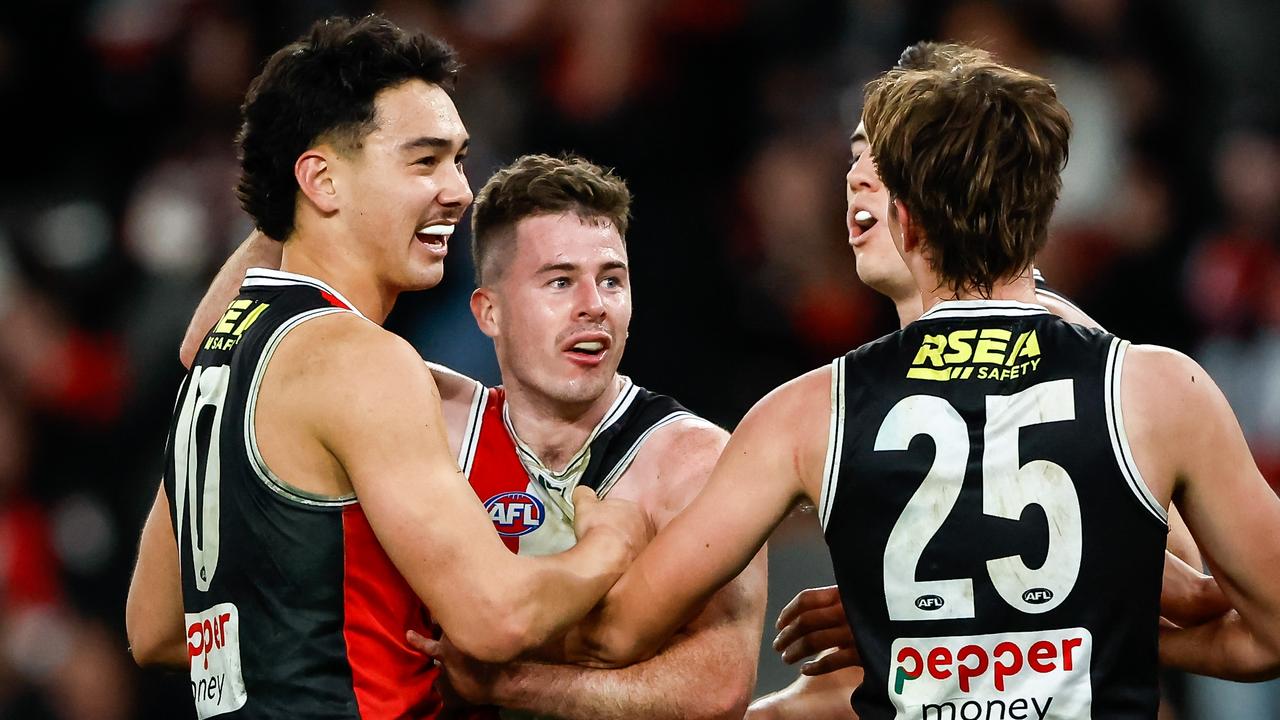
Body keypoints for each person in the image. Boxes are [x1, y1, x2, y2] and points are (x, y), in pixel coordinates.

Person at [564, 56, 1280, 719]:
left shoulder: (807, 412)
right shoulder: (1156, 387)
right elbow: (1265, 635)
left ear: (903, 217)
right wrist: (1074, 622)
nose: (853, 184)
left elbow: (618, 631)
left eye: (871, 168)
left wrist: (604, 534)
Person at [125, 17, 649, 719]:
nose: (461, 192)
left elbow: (157, 626)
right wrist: (609, 544)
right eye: (425, 161)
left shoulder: (220, 361)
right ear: (321, 181)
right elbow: (498, 617)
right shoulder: (359, 361)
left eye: (460, 160)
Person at [178, 153, 766, 719]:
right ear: (488, 312)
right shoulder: (423, 412)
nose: (593, 307)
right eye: (559, 282)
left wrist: (518, 684)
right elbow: (213, 353)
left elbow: (717, 689)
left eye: (611, 281)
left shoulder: (695, 459)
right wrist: (287, 206)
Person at [749, 41, 1231, 719]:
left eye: (882, 159)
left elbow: (1202, 599)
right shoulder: (862, 376)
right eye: (854, 157)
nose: (857, 179)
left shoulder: (1097, 373)